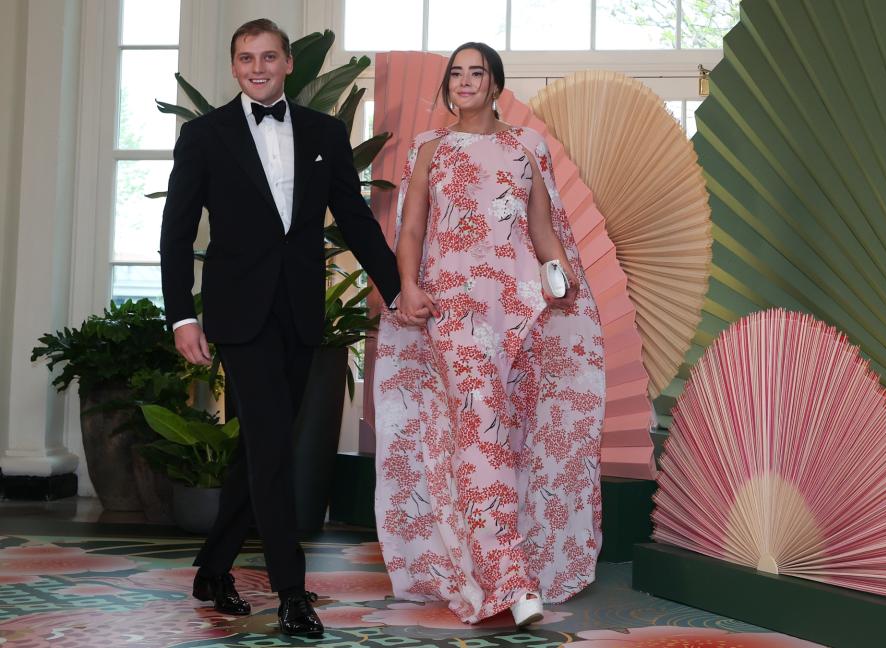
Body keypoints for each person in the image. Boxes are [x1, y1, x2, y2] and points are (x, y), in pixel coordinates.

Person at [159, 19, 408, 637]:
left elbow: (354, 217)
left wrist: (399, 289)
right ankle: (292, 592)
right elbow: (177, 232)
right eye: (246, 58)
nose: (258, 67)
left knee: (257, 450)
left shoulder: (325, 132)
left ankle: (212, 569)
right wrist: (181, 315)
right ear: (234, 65)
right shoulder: (204, 135)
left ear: (289, 63)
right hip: (237, 317)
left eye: (269, 57)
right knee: (273, 447)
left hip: (300, 314)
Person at [373, 42, 605, 627]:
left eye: (477, 72)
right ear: (448, 86)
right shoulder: (429, 149)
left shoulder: (527, 144)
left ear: (496, 83)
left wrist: (559, 274)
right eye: (457, 73)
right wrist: (407, 285)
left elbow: (543, 227)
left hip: (520, 309)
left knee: (512, 433)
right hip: (452, 309)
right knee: (481, 426)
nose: (466, 81)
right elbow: (412, 228)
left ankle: (498, 562)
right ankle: (511, 581)